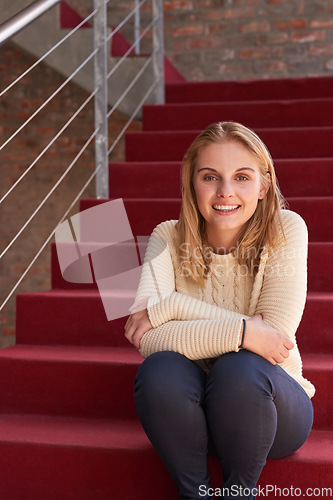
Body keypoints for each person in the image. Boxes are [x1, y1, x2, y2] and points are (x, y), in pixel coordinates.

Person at [124, 122, 315, 500]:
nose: (225, 191)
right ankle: (194, 493)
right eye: (210, 177)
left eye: (241, 177)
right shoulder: (167, 236)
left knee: (240, 368)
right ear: (192, 184)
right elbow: (145, 338)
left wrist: (171, 307)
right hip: (190, 415)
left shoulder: (286, 229)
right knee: (159, 368)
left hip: (270, 411)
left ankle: (239, 493)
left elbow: (273, 337)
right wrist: (245, 331)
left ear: (263, 185)